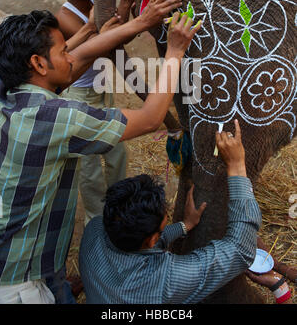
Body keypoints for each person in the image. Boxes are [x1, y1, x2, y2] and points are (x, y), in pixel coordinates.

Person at [0, 0, 201, 304]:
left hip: (21, 255)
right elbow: (149, 119)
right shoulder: (55, 118)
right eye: (62, 50)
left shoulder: (8, 92)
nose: (70, 55)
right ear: (39, 64)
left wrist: (141, 23)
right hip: (17, 283)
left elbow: (77, 56)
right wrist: (174, 52)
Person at [79, 120, 262, 304]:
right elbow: (240, 250)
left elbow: (142, 243)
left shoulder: (94, 230)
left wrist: (184, 225)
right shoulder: (165, 280)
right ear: (152, 240)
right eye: (161, 227)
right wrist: (237, 166)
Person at [47, 0, 135, 223]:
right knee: (89, 165)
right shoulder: (66, 17)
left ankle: (120, 207)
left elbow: (120, 35)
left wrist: (126, 3)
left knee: (116, 150)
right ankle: (96, 220)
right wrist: (124, 4)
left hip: (100, 88)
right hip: (79, 96)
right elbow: (105, 44)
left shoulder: (96, 0)